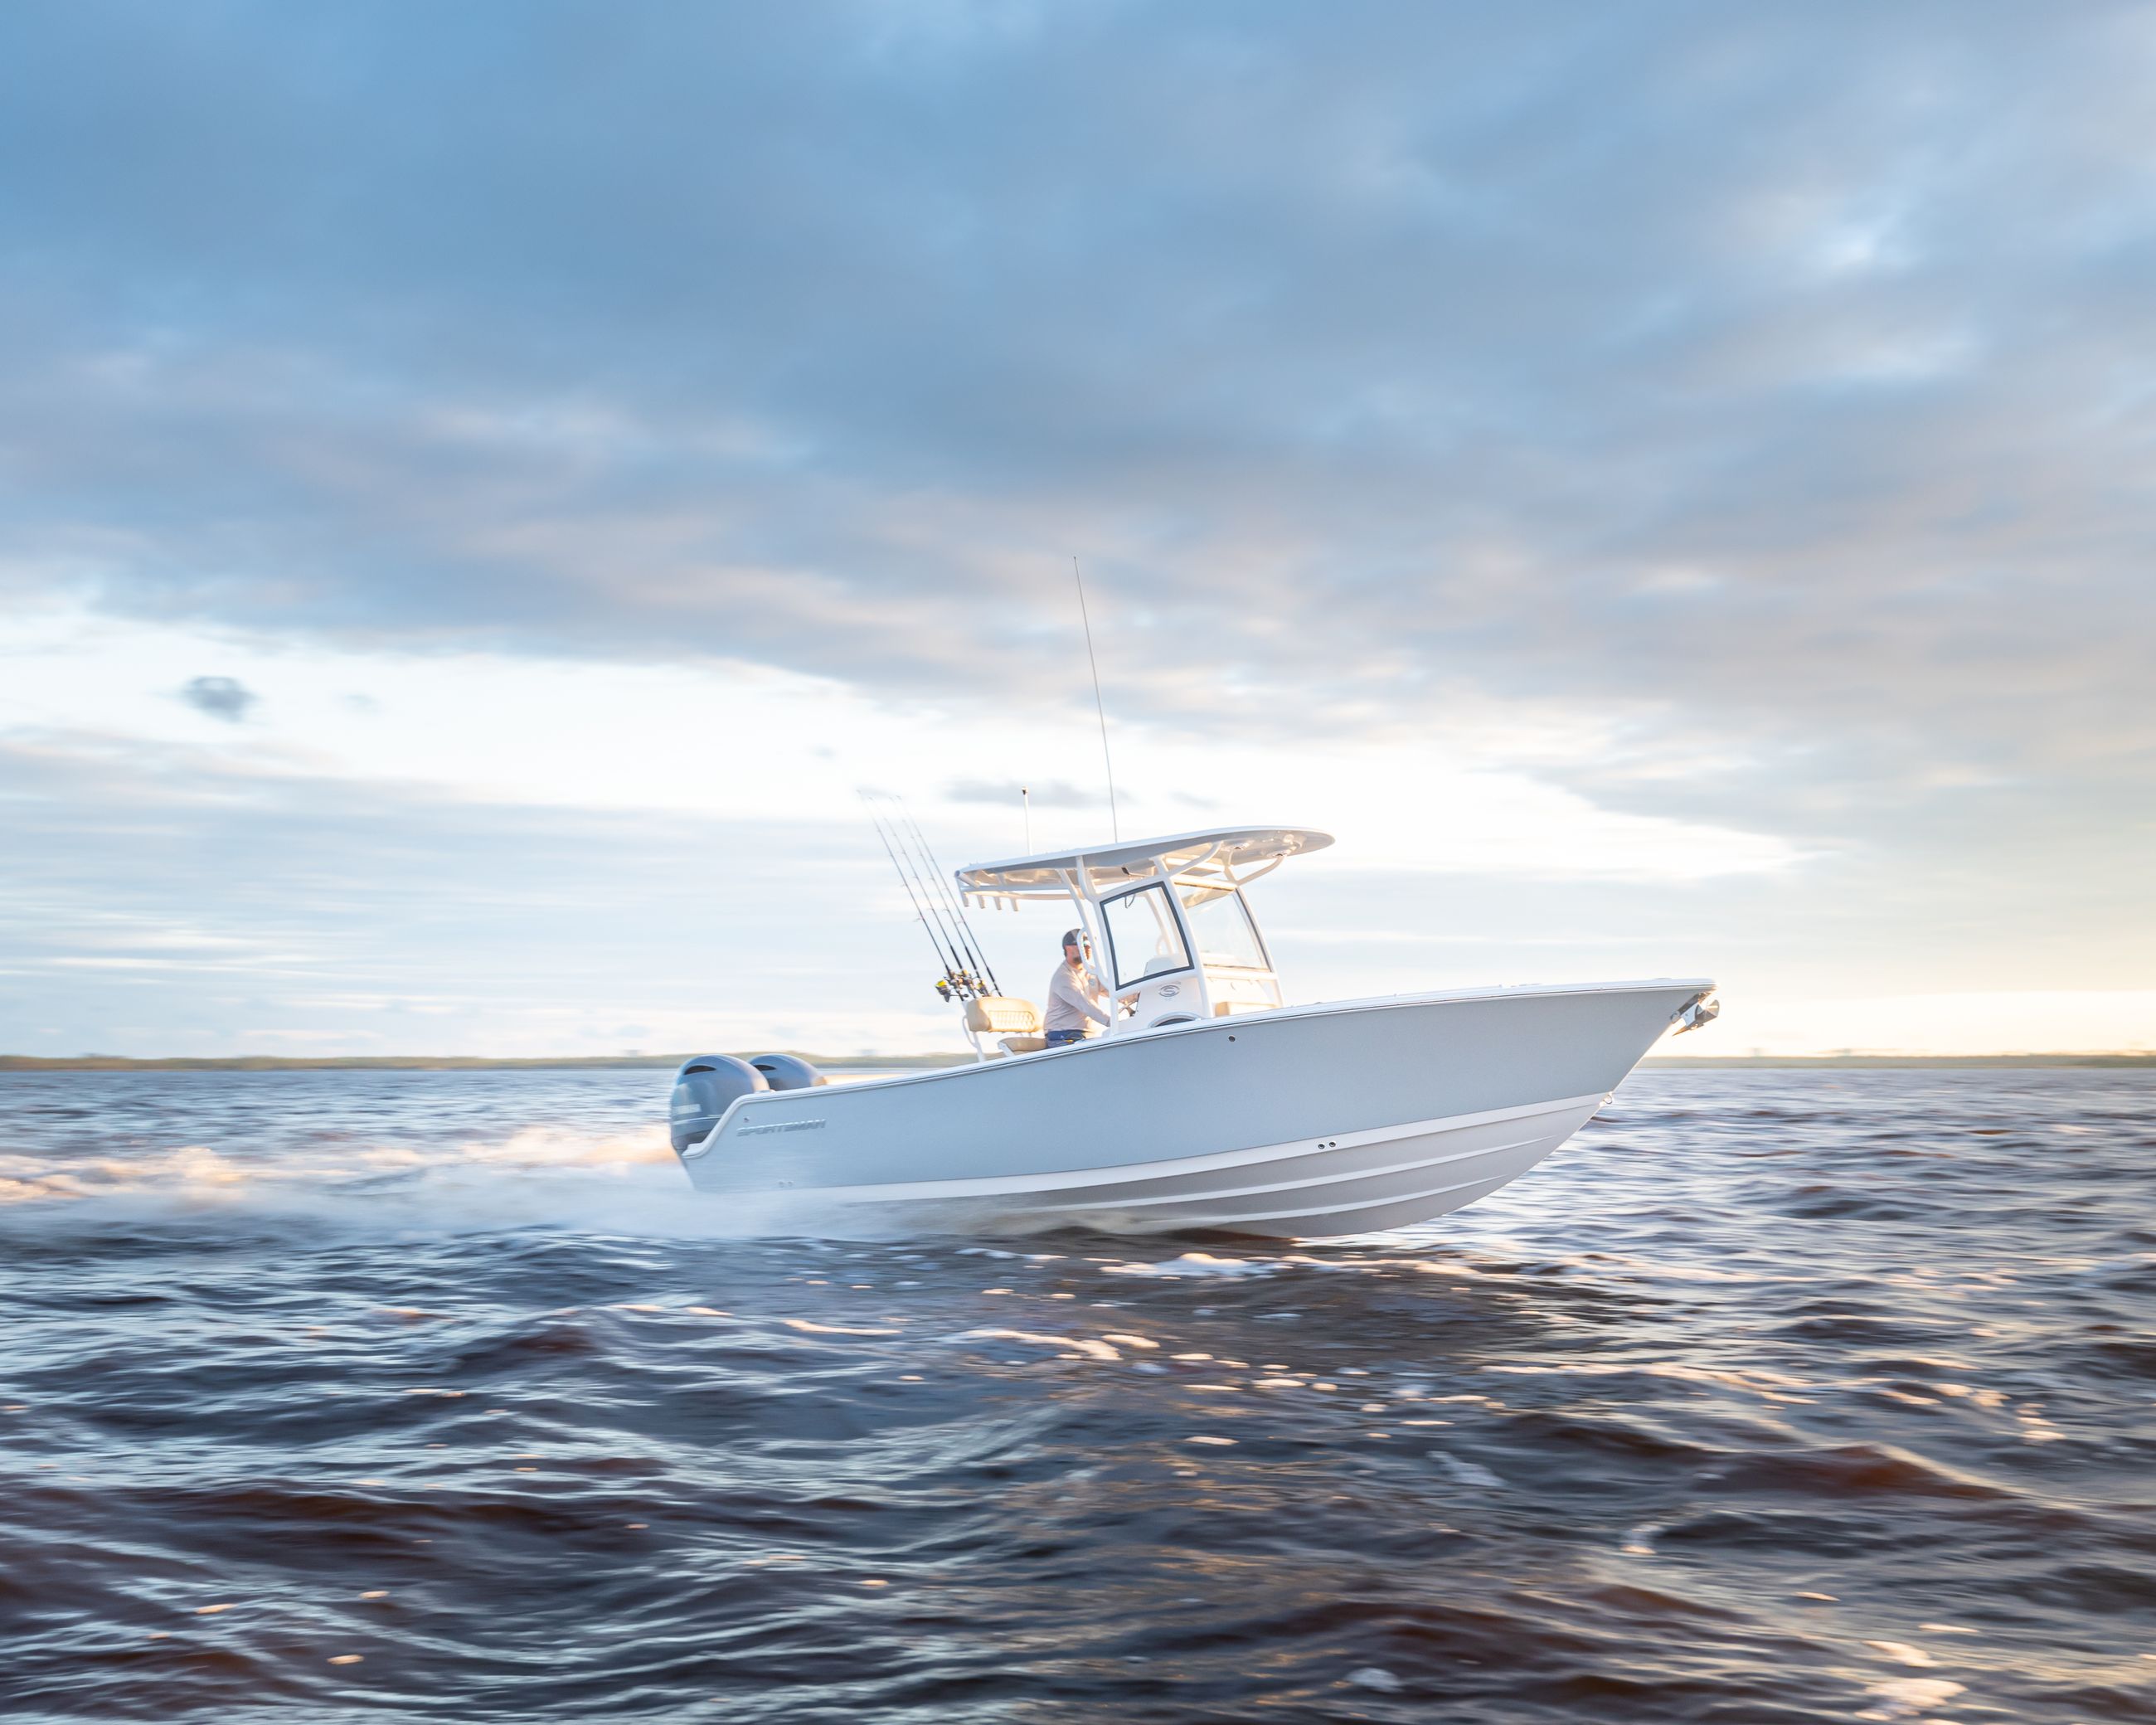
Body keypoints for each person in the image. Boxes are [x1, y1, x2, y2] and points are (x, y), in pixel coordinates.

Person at [1043, 928, 1113, 1046]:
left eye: (1090, 944)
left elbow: (1112, 990)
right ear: (1068, 948)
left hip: (1083, 1036)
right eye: (1084, 944)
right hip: (1063, 1036)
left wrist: (1137, 996)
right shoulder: (1063, 977)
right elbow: (1085, 1004)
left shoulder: (1091, 972)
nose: (1089, 948)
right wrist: (1112, 1022)